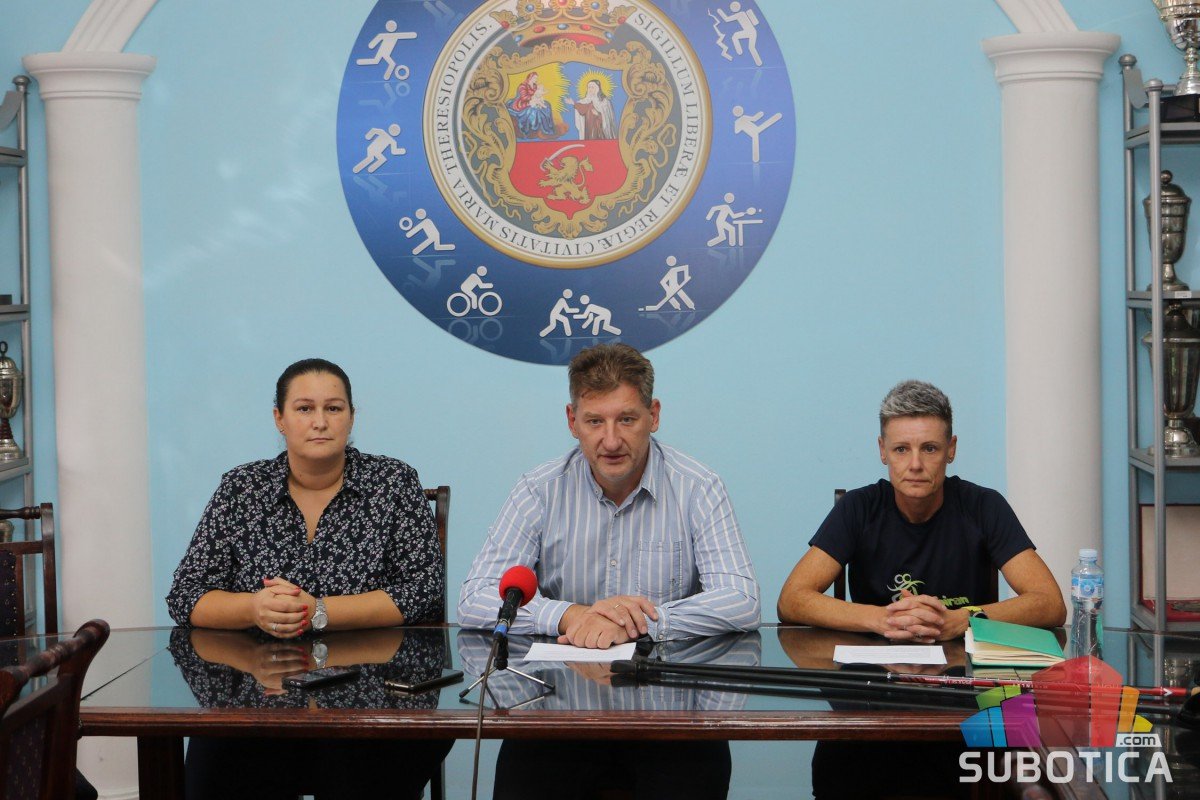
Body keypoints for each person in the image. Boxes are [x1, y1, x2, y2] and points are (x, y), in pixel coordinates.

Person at [458, 343, 760, 648]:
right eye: (595, 421)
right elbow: (475, 599)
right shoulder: (538, 490)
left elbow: (741, 601)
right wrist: (571, 616)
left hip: (662, 672)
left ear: (653, 416)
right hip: (562, 673)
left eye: (626, 419)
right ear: (572, 421)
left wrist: (641, 624)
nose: (612, 441)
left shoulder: (698, 487)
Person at [166, 358, 445, 635]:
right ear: (279, 419)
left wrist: (319, 611)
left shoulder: (394, 483)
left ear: (351, 418)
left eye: (333, 408)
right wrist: (253, 608)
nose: (320, 422)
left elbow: (426, 591)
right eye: (304, 409)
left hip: (368, 659)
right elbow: (186, 595)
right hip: (259, 660)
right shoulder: (241, 488)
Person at [777, 379, 1065, 642]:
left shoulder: (983, 506)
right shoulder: (859, 507)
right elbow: (791, 600)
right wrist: (881, 618)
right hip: (874, 671)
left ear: (951, 449)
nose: (915, 465)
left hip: (961, 672)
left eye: (929, 449)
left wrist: (962, 620)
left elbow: (1050, 603)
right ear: (882, 450)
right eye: (901, 449)